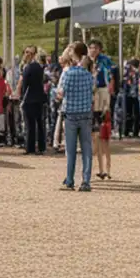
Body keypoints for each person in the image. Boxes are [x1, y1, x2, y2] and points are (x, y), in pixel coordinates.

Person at [56, 39, 94, 192]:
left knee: (71, 150)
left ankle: (70, 179)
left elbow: (60, 94)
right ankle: (86, 181)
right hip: (85, 114)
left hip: (71, 113)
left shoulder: (68, 73)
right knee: (86, 149)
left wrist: (55, 93)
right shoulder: (88, 74)